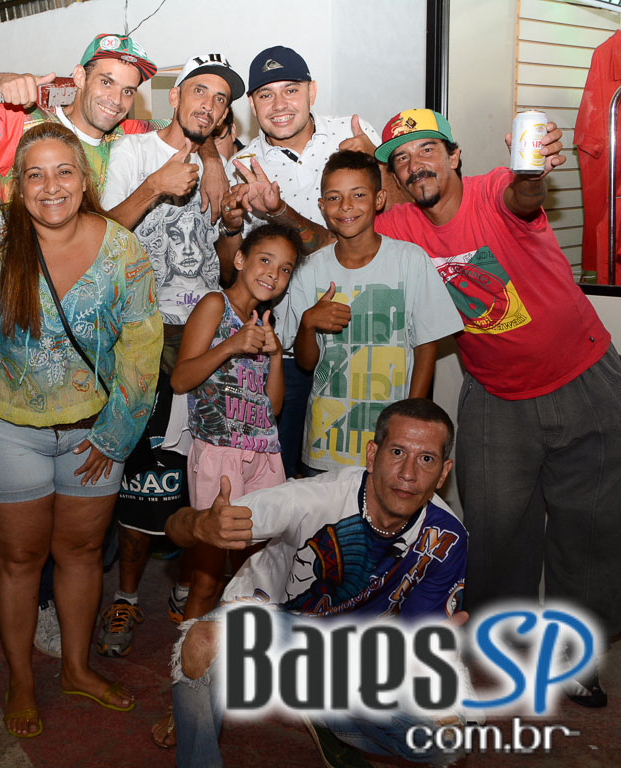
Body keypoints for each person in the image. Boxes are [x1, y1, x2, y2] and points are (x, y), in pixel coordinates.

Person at [371, 108, 621, 705]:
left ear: (454, 156)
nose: (415, 165)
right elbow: (343, 227)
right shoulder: (401, 225)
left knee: (589, 527)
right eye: (401, 159)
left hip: (583, 377)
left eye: (426, 150)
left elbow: (524, 196)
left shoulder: (493, 192)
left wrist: (530, 172)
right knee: (497, 530)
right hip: (494, 395)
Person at [0, 122, 161, 737]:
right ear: (15, 186)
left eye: (64, 171)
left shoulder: (123, 249)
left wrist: (116, 435)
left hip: (93, 434)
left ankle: (76, 668)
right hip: (3, 426)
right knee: (20, 559)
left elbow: (143, 346)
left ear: (85, 179)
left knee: (82, 554)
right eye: (35, 174)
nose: (51, 186)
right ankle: (21, 680)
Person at [164, 398, 468, 767]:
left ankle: (327, 714)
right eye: (397, 452)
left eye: (426, 459)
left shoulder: (446, 537)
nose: (408, 473)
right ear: (373, 455)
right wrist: (199, 525)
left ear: (443, 473)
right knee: (201, 642)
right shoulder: (311, 499)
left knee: (445, 736)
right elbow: (174, 527)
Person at [96, 52, 244, 658]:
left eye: (220, 99)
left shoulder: (222, 163)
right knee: (143, 479)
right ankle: (127, 595)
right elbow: (103, 236)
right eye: (199, 91)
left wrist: (231, 221)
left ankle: (188, 586)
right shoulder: (132, 151)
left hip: (204, 338)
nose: (209, 105)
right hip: (143, 338)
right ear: (175, 95)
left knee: (203, 475)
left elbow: (226, 263)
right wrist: (156, 185)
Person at [215, 46, 388, 481]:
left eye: (290, 90)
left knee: (363, 475)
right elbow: (232, 270)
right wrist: (231, 224)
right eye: (265, 94)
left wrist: (380, 162)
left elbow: (389, 226)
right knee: (278, 478)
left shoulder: (352, 134)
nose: (279, 105)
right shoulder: (243, 166)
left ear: (312, 91)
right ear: (252, 104)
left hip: (363, 340)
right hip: (287, 350)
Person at [287, 150, 463, 474]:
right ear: (322, 206)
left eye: (358, 195)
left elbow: (426, 346)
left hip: (392, 444)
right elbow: (306, 363)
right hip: (326, 444)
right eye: (334, 197)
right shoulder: (309, 270)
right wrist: (308, 324)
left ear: (379, 199)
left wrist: (409, 421)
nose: (346, 206)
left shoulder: (410, 260)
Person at [170, 223, 300, 621]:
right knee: (207, 577)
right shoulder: (215, 304)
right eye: (265, 260)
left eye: (285, 269)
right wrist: (232, 345)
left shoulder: (263, 322)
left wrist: (275, 355)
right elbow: (180, 379)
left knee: (258, 576)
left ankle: (249, 652)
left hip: (264, 455)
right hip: (220, 456)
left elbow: (271, 408)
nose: (273, 274)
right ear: (240, 259)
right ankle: (187, 657)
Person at [0, 32, 159, 197]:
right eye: (106, 82)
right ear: (80, 77)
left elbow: (181, 131)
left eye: (128, 91)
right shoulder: (25, 123)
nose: (116, 100)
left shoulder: (129, 136)